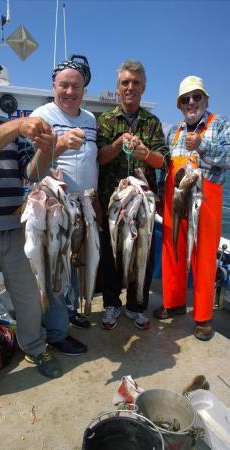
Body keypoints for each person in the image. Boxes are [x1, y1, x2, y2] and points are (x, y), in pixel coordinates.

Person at [0, 50, 63, 398]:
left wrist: (48, 147)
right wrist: (17, 126)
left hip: (16, 231)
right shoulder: (10, 127)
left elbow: (33, 174)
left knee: (29, 298)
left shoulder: (4, 124)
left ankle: (35, 345)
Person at [153, 76, 230, 341]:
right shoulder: (173, 130)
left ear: (206, 99)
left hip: (206, 203)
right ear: (178, 105)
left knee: (204, 259)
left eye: (196, 97)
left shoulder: (219, 124)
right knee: (172, 252)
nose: (191, 102)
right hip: (176, 201)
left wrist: (201, 145)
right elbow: (166, 167)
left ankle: (203, 317)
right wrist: (160, 190)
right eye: (185, 99)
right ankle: (173, 304)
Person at [31, 55, 98, 353]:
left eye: (76, 87)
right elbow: (31, 164)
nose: (69, 92)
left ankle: (69, 313)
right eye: (64, 86)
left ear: (84, 90)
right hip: (55, 208)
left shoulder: (91, 119)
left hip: (83, 206)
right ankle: (57, 334)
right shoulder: (41, 115)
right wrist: (59, 144)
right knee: (56, 267)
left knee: (73, 263)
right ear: (53, 85)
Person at [97, 60, 169, 330]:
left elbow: (163, 160)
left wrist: (145, 154)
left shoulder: (152, 122)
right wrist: (118, 144)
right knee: (112, 255)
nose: (130, 87)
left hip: (143, 207)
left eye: (135, 83)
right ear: (118, 87)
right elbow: (100, 159)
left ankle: (137, 305)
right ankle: (112, 304)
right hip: (114, 204)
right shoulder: (104, 121)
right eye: (125, 82)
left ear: (144, 87)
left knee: (143, 255)